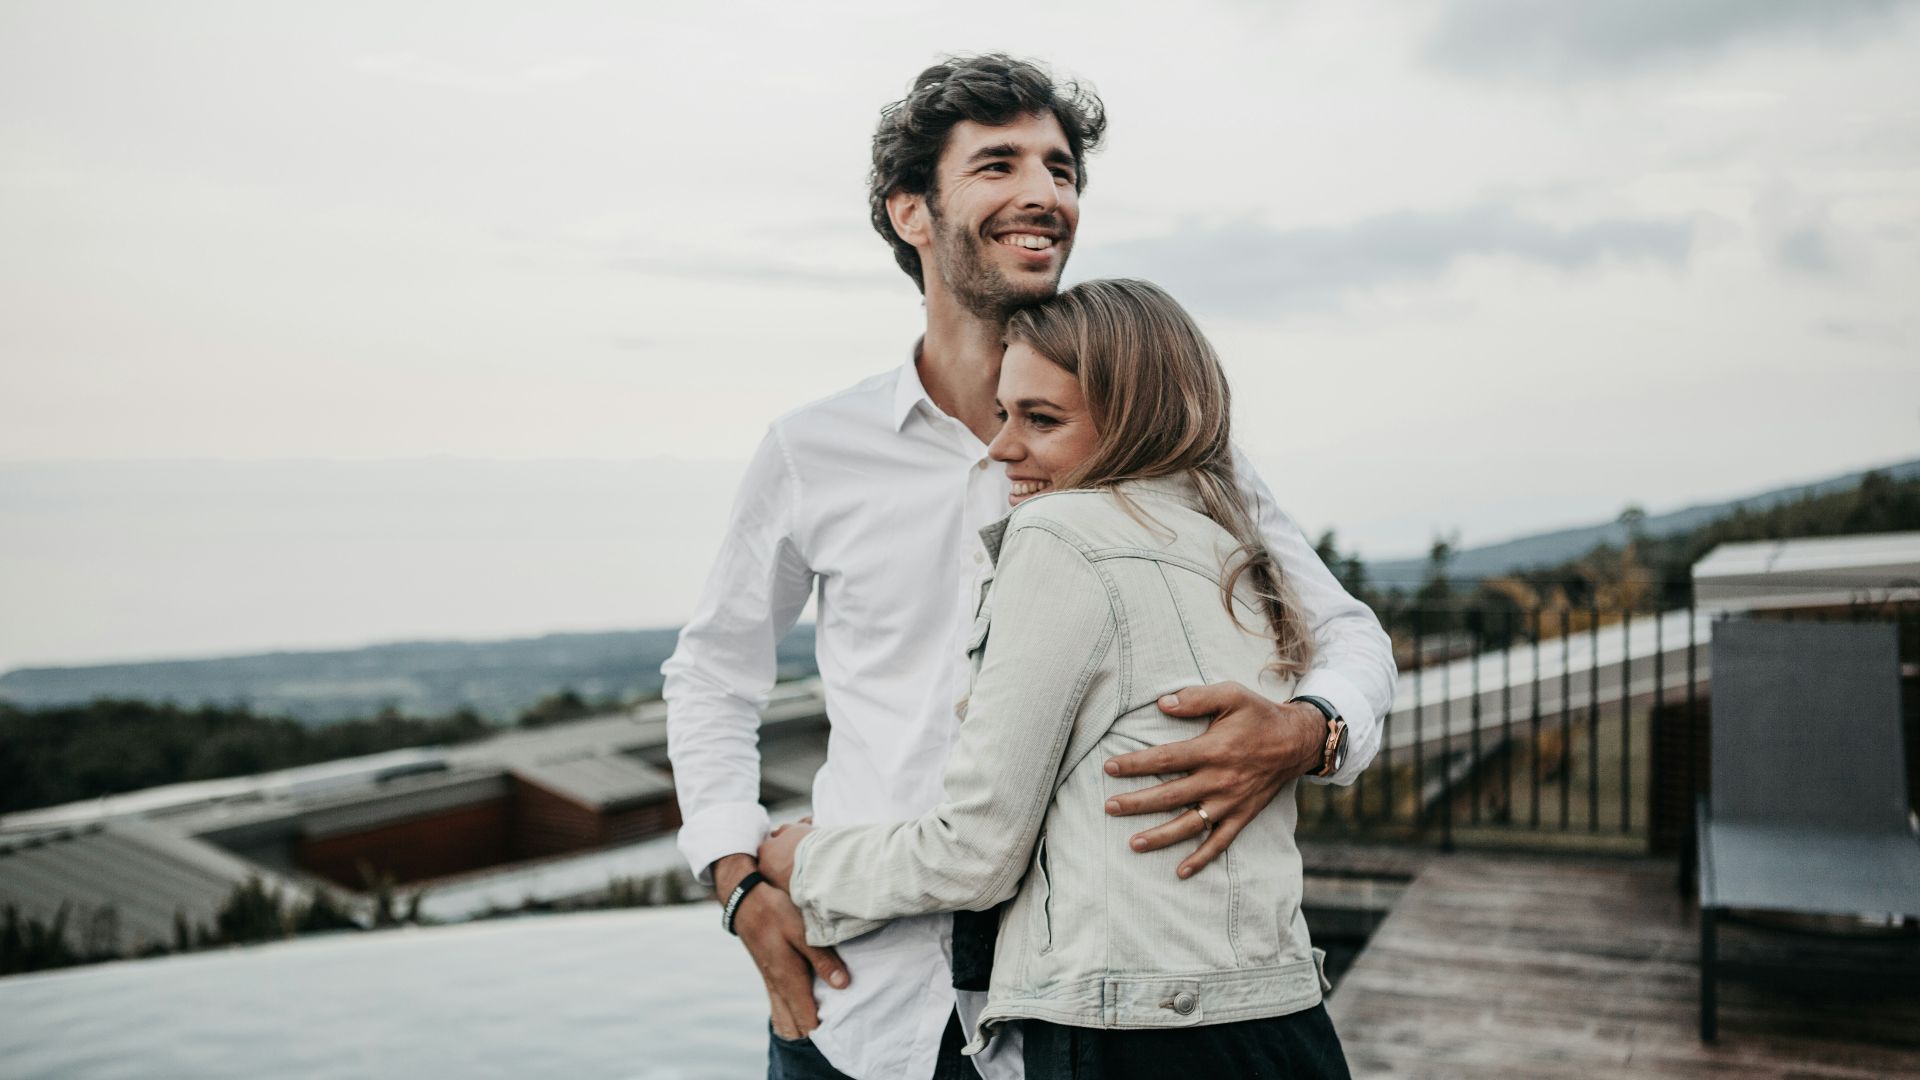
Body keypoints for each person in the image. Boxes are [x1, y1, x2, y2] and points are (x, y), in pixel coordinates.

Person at [662, 54, 1395, 1080]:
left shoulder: (1170, 446)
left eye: (1061, 169)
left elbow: (1347, 632)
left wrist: (1306, 731)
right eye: (1000, 164)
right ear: (912, 212)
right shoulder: (811, 448)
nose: (1045, 193)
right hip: (859, 1004)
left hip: (1077, 1028)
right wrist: (738, 881)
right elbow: (712, 674)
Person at [756, 278, 1354, 1078]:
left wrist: (805, 863)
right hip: (1283, 1020)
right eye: (1005, 414)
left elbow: (976, 851)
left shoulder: (1061, 535)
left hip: (1133, 1039)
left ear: (1137, 419)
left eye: (1042, 420)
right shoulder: (1234, 547)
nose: (1002, 447)